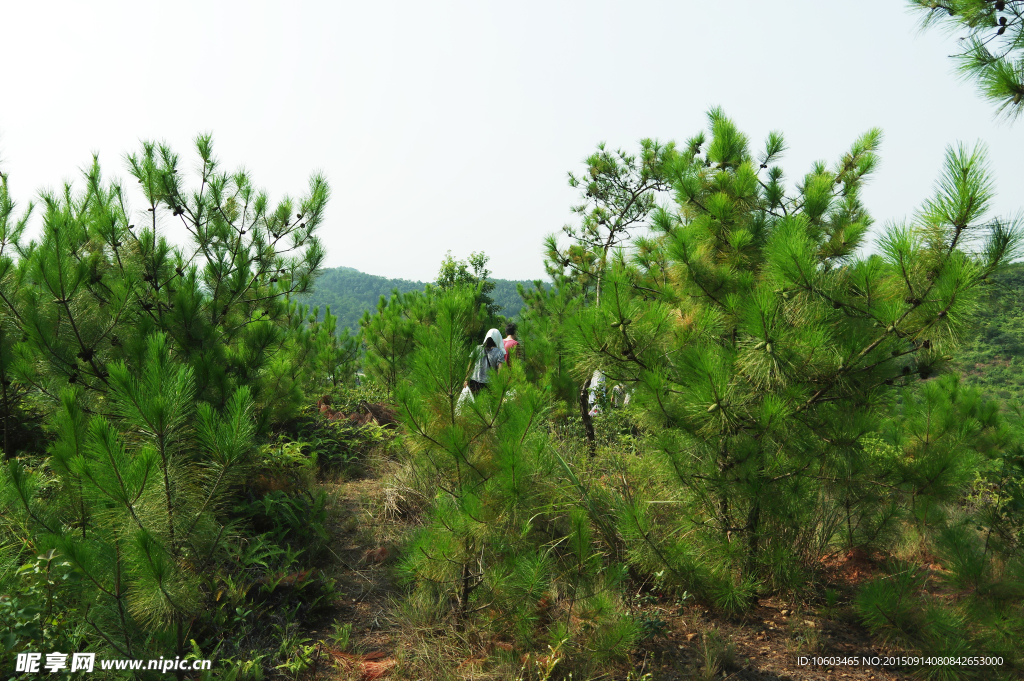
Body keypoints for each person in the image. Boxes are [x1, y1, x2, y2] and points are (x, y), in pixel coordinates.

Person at [465, 328, 505, 395]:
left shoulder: (477, 348)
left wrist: (466, 379)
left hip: (474, 383)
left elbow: (470, 366)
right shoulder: (499, 353)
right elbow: (500, 373)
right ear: (498, 339)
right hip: (489, 386)